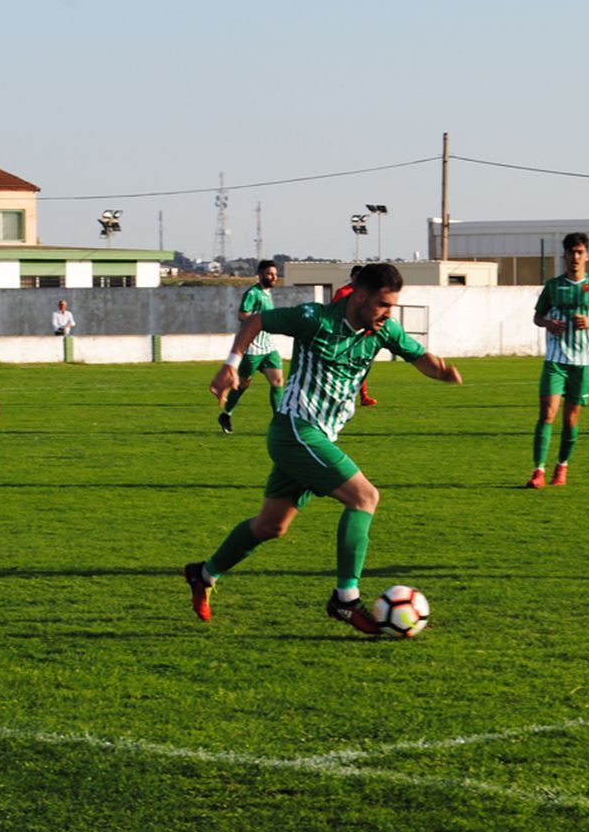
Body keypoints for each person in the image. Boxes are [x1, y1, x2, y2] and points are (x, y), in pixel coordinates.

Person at [184, 262, 462, 632]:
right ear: (360, 296)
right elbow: (255, 322)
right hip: (296, 430)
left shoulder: (382, 330)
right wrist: (231, 364)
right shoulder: (315, 319)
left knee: (270, 526)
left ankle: (203, 574)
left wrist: (441, 370)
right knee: (364, 497)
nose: (389, 314)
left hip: (317, 437)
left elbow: (418, 356)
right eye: (383, 304)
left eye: (393, 306)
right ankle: (344, 599)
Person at [528, 233, 589, 487]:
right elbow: (537, 317)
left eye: (580, 252)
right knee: (547, 414)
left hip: (584, 362)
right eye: (571, 253)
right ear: (564, 256)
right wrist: (548, 324)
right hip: (556, 360)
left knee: (571, 419)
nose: (575, 257)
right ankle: (538, 472)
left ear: (587, 256)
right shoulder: (553, 286)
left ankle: (561, 467)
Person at [218, 259, 285, 434]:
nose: (274, 277)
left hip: (268, 346)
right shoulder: (253, 293)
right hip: (253, 347)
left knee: (277, 381)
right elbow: (242, 315)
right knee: (244, 384)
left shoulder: (268, 293)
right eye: (270, 274)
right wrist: (259, 322)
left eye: (276, 274)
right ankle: (226, 414)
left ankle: (279, 423)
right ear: (261, 274)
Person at [332, 266, 377, 407]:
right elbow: (334, 311)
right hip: (344, 334)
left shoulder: (367, 293)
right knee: (342, 366)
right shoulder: (342, 292)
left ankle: (363, 396)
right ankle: (339, 396)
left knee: (360, 364)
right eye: (357, 276)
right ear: (351, 277)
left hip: (362, 334)